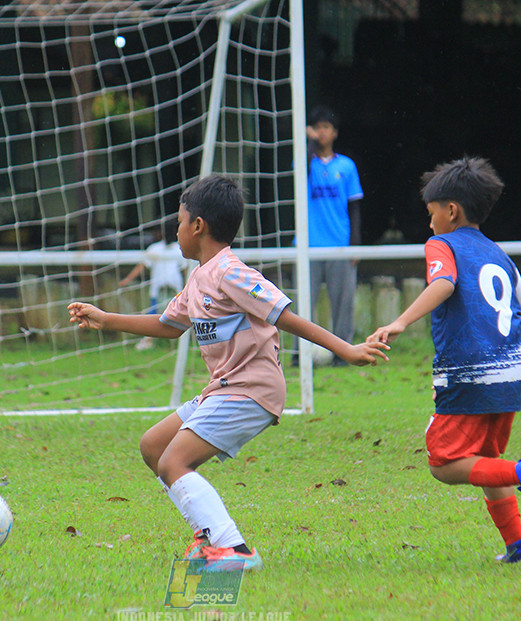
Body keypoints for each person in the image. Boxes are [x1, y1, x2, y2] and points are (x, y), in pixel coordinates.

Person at [69, 175, 388, 571]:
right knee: (154, 447)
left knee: (173, 463)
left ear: (198, 226)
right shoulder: (199, 277)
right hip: (221, 389)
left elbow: (285, 317)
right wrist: (107, 319)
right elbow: (169, 325)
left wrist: (347, 349)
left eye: (180, 221)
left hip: (251, 390)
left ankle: (233, 549)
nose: (177, 230)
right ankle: (207, 536)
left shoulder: (230, 273)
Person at [368, 157, 521, 564]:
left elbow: (444, 282)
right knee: (483, 459)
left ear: (450, 210)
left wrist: (401, 321)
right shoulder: (498, 252)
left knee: (443, 462)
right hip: (512, 368)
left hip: (470, 368)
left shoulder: (442, 244)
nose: (430, 222)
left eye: (431, 212)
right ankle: (520, 547)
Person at [295, 105, 363, 366]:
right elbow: (300, 169)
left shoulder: (346, 166)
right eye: (317, 127)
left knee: (342, 303)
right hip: (307, 245)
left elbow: (354, 207)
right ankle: (297, 355)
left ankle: (342, 354)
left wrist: (355, 246)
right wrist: (308, 142)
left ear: (334, 132)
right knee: (302, 304)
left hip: (340, 245)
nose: (322, 133)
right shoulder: (304, 160)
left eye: (326, 127)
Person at [118, 225, 185, 351]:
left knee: (172, 315)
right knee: (157, 314)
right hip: (165, 285)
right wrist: (127, 280)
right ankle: (151, 341)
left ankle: (175, 344)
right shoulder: (157, 248)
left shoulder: (176, 248)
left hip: (172, 288)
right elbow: (143, 265)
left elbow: (142, 266)